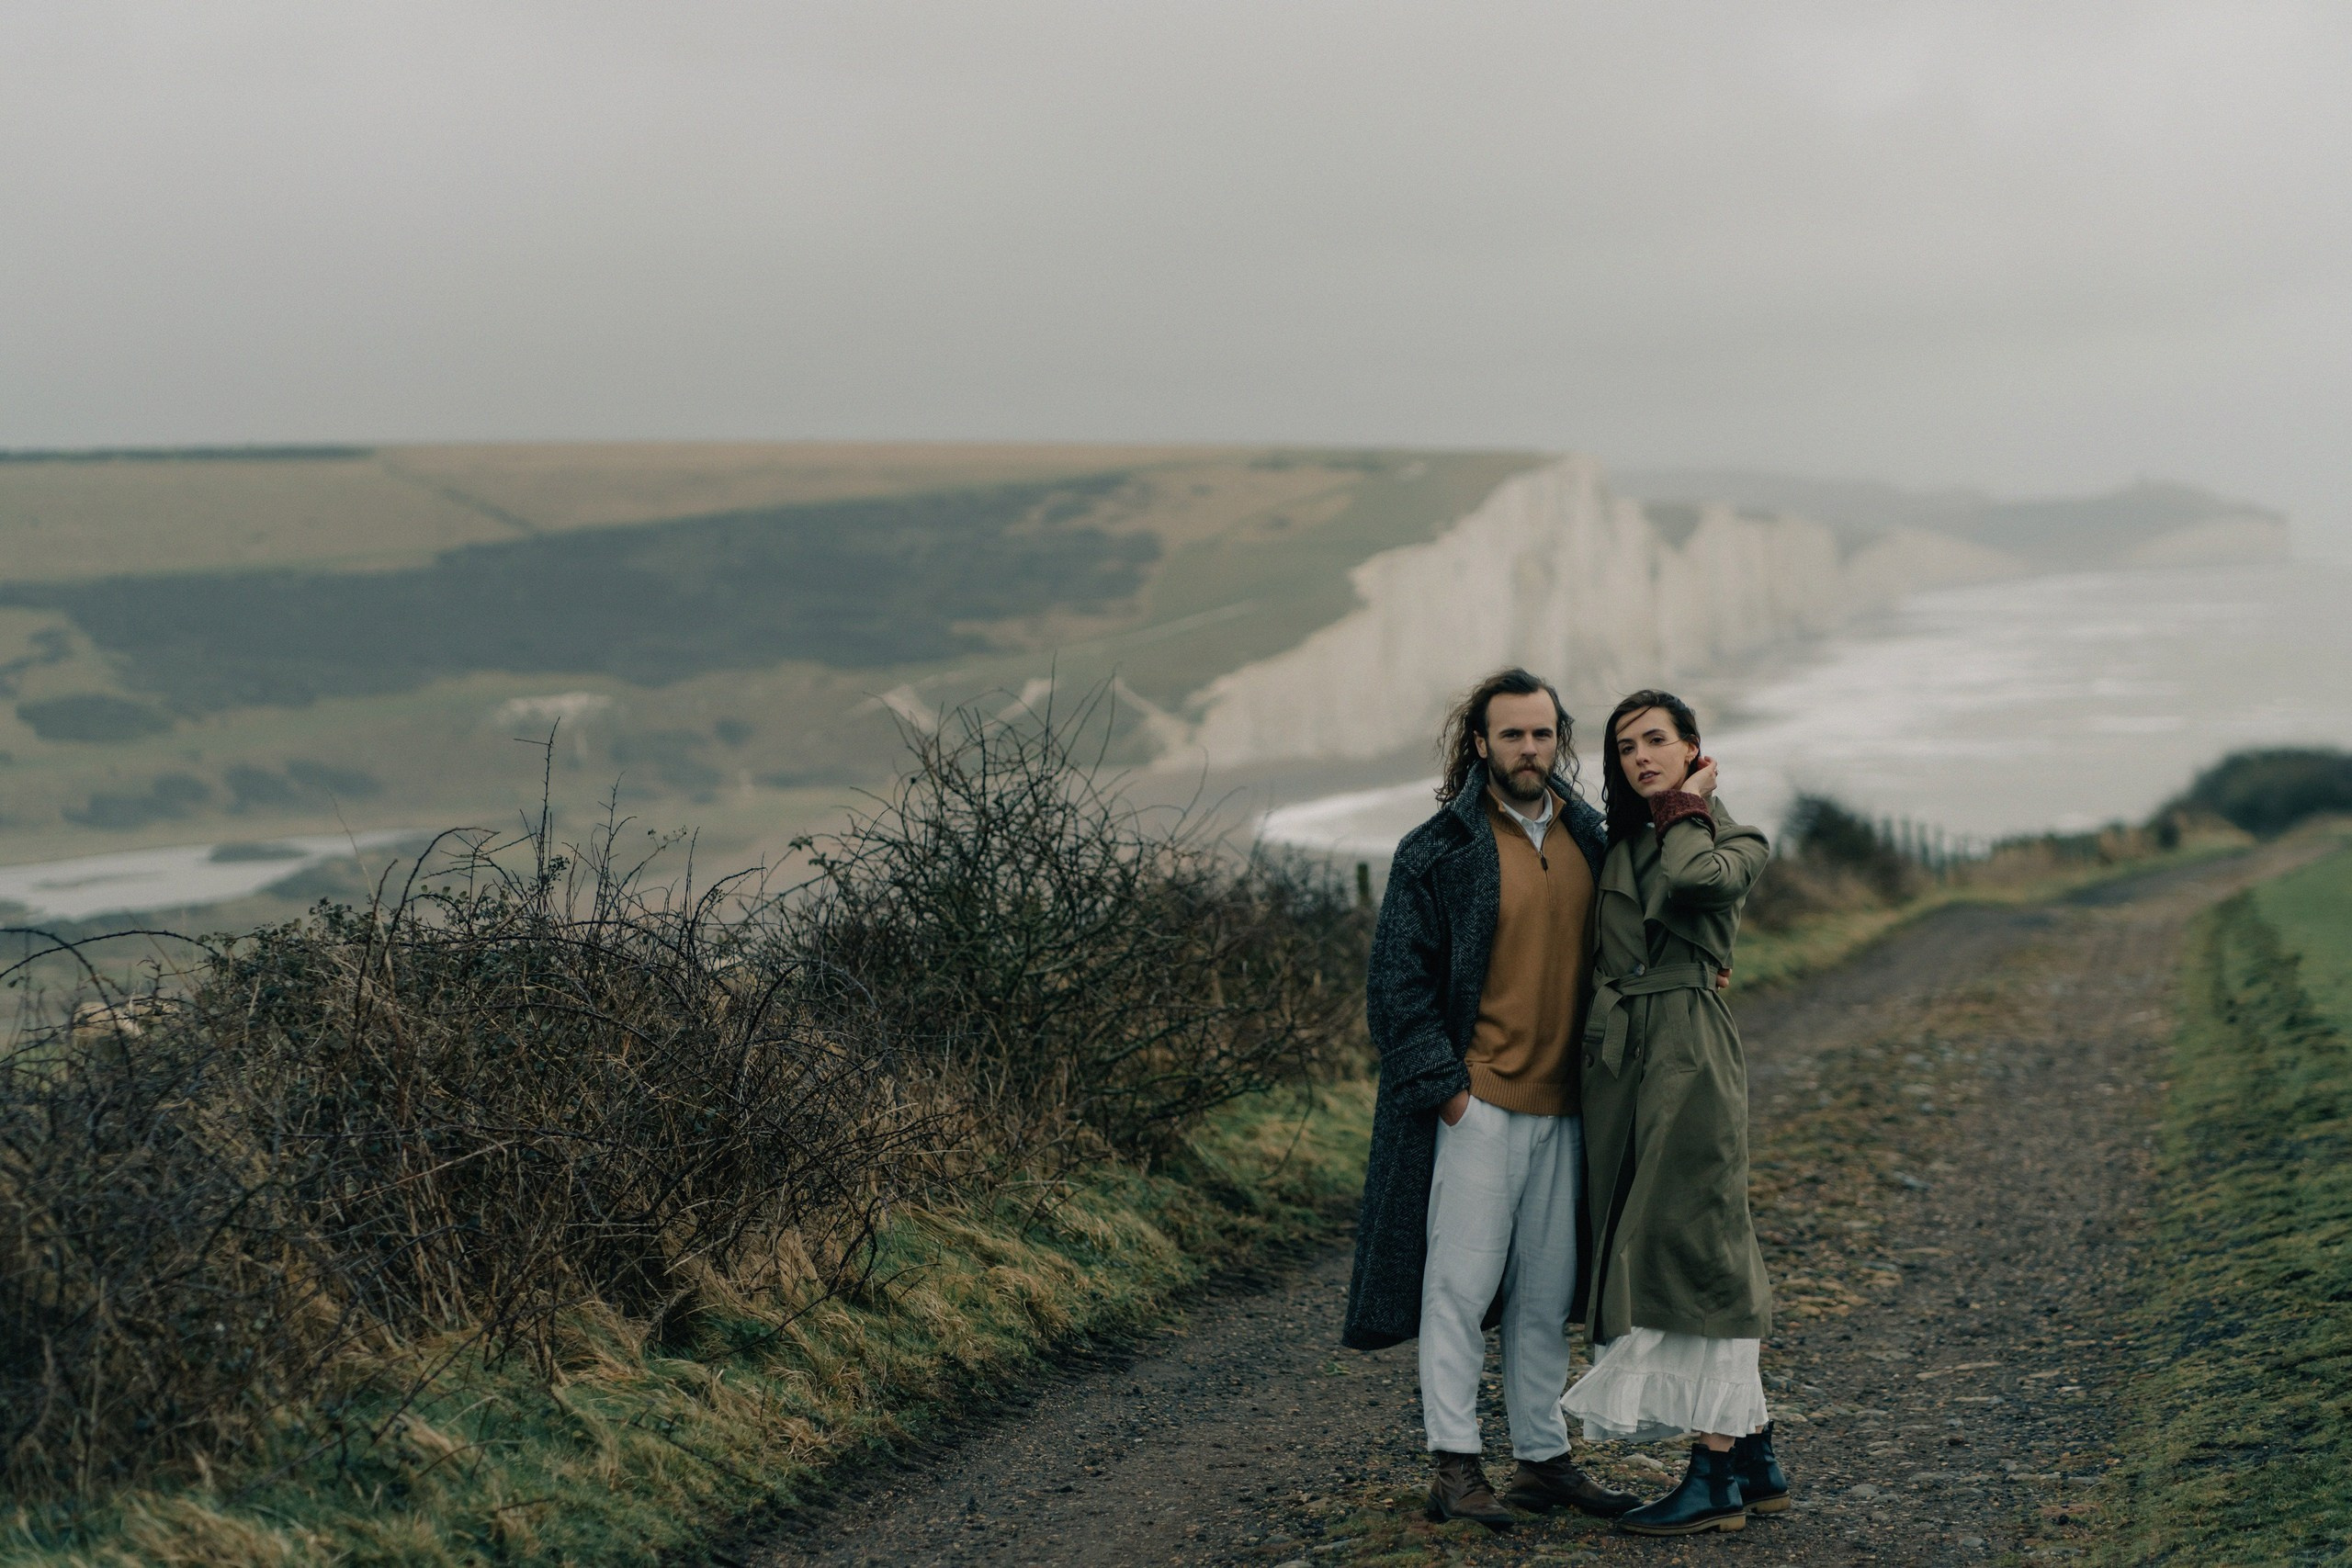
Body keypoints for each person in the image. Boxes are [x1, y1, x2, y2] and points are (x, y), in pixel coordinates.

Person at [1340, 668, 1641, 1531]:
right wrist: (1449, 1096)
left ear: (1559, 739)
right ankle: (1455, 1465)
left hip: (1567, 1109)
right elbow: (1395, 989)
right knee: (1460, 1291)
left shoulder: (1593, 838)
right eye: (1511, 734)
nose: (1528, 749)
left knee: (1546, 1301)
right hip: (1478, 1107)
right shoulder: (1437, 849)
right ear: (1480, 743)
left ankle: (1543, 1462)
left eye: (1543, 733)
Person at [1560, 689, 1790, 1536]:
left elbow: (1696, 878)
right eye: (1625, 747)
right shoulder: (1621, 840)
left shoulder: (1731, 836)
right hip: (1626, 1059)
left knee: (1701, 1247)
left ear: (1695, 748)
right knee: (1665, 1238)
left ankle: (1714, 1476)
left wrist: (1687, 804)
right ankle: (1756, 1460)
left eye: (1657, 740)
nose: (1639, 757)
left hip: (1689, 1052)